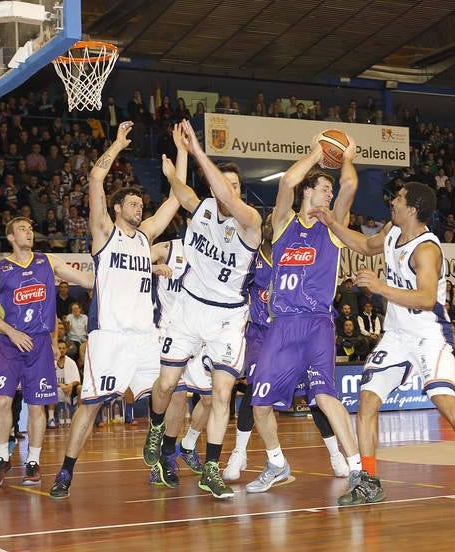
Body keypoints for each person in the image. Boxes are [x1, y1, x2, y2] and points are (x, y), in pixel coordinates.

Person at [313, 181, 455, 509]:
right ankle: (369, 482)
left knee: (445, 401)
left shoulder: (426, 249)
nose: (392, 201)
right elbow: (365, 246)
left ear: (413, 208)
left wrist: (380, 287)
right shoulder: (393, 231)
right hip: (397, 334)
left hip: (429, 334)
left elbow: (424, 298)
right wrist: (331, 222)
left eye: (399, 198)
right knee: (367, 400)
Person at [49, 121, 180, 499]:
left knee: (171, 388)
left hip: (145, 336)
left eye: (142, 204)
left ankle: (157, 439)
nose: (140, 208)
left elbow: (174, 202)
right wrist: (118, 146)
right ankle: (66, 472)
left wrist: (179, 165)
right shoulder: (104, 232)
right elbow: (94, 178)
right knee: (89, 407)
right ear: (118, 207)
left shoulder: (145, 237)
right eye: (133, 204)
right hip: (109, 336)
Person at [143, 120, 260, 499]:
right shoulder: (202, 208)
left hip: (227, 317)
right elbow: (181, 190)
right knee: (166, 385)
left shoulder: (251, 223)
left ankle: (211, 467)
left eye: (237, 188)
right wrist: (176, 162)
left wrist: (196, 151)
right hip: (189, 309)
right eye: (225, 187)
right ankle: (157, 429)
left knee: (221, 394)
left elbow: (223, 192)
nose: (230, 193)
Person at [246, 133, 364, 503]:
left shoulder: (333, 227)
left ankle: (359, 470)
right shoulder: (282, 226)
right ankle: (277, 463)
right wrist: (317, 151)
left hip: (316, 323)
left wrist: (346, 156)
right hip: (281, 325)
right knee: (259, 403)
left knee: (327, 397)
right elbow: (286, 182)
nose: (330, 194)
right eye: (323, 189)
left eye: (330, 190)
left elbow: (350, 184)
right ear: (308, 192)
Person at [223, 215, 349, 482]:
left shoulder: (295, 251)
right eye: (266, 221)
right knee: (256, 391)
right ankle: (240, 452)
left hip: (295, 331)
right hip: (261, 334)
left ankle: (335, 454)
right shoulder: (252, 256)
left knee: (316, 397)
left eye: (273, 221)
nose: (269, 225)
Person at [0, 217, 94, 488]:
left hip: (39, 342)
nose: (29, 232)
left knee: (37, 404)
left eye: (31, 228)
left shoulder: (47, 261)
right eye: (22, 229)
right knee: (4, 401)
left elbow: (87, 279)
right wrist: (9, 332)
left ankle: (33, 461)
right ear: (10, 237)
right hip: (9, 342)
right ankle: (0, 458)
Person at [147, 236, 213, 487]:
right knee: (175, 396)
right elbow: (132, 263)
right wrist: (153, 268)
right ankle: (163, 459)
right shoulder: (169, 247)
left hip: (199, 335)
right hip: (171, 332)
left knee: (211, 399)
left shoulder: (213, 250)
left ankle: (187, 445)